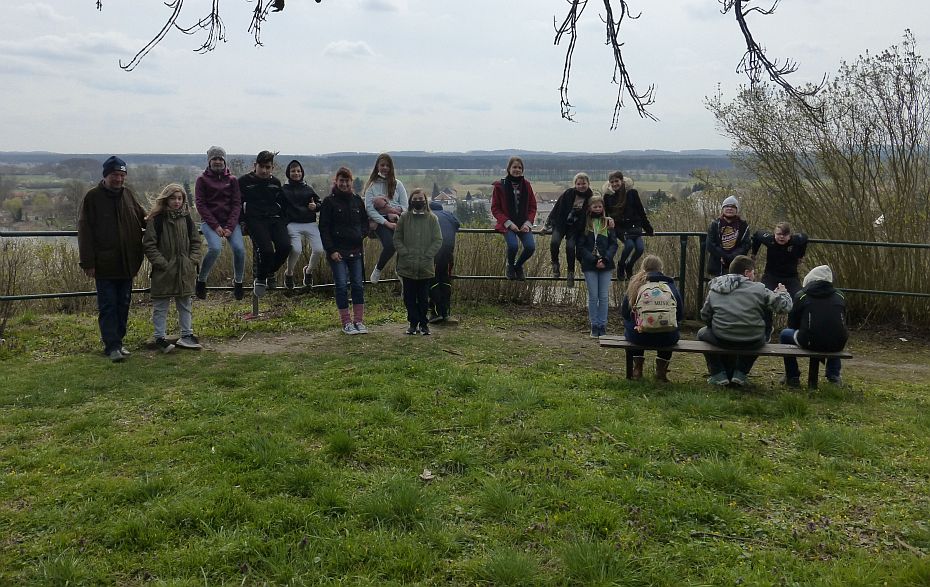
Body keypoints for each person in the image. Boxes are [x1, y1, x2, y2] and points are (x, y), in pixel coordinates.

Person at [77, 156, 146, 362]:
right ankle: (111, 345)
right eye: (115, 175)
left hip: (127, 262)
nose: (119, 179)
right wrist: (87, 262)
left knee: (123, 303)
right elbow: (85, 231)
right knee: (108, 305)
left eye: (122, 175)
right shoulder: (93, 197)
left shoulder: (128, 195)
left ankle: (119, 342)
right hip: (104, 263)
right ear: (106, 175)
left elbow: (143, 218)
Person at [698, 255, 792, 386]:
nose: (754, 276)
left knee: (702, 333)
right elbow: (784, 307)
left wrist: (717, 324)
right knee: (762, 337)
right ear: (747, 273)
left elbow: (705, 315)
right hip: (752, 339)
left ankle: (718, 374)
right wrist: (782, 293)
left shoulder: (715, 288)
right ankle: (740, 373)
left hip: (722, 337)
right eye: (753, 273)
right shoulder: (760, 289)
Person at [142, 184, 203, 353]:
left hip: (184, 269)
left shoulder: (187, 219)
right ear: (166, 199)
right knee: (161, 305)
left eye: (180, 198)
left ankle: (187, 335)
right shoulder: (157, 220)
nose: (176, 202)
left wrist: (192, 261)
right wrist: (162, 263)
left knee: (185, 303)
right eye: (173, 198)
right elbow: (149, 244)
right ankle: (159, 337)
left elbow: (196, 242)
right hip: (164, 271)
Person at [319, 167, 369, 335]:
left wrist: (361, 234)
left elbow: (364, 222)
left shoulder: (357, 200)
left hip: (356, 250)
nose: (344, 183)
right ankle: (346, 322)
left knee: (357, 285)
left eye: (347, 181)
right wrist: (331, 250)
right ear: (336, 181)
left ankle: (359, 321)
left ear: (351, 182)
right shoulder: (329, 202)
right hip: (337, 252)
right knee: (341, 286)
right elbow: (324, 228)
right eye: (341, 180)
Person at [780, 265, 848, 386]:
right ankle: (834, 374)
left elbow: (792, 324)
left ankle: (792, 375)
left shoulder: (801, 295)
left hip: (809, 340)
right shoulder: (840, 295)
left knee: (785, 334)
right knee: (834, 332)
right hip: (838, 342)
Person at [620, 254, 683, 382]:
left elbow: (625, 314)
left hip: (639, 337)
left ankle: (637, 368)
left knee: (632, 325)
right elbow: (680, 315)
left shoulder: (635, 285)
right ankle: (661, 371)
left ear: (643, 268)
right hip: (667, 338)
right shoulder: (670, 286)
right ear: (661, 268)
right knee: (668, 329)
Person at [194, 146, 246, 300]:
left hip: (230, 222)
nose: (217, 161)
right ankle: (201, 280)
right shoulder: (201, 180)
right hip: (210, 222)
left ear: (224, 161)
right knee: (215, 248)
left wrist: (230, 226)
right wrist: (216, 226)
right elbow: (200, 205)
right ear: (209, 161)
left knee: (239, 249)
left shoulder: (232, 180)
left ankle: (238, 282)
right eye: (214, 159)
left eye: (220, 159)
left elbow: (237, 204)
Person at [238, 150, 291, 296]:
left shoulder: (275, 183)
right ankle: (261, 278)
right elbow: (237, 203)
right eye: (261, 166)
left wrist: (284, 220)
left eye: (268, 167)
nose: (264, 170)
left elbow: (283, 204)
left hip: (274, 219)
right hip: (255, 220)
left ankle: (269, 272)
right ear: (255, 165)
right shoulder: (244, 182)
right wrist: (242, 221)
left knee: (285, 247)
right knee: (266, 251)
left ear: (272, 168)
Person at [394, 189, 443, 335]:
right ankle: (412, 323)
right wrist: (405, 254)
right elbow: (397, 239)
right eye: (415, 199)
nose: (418, 201)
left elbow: (438, 240)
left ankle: (424, 324)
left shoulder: (432, 219)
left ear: (425, 201)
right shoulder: (404, 217)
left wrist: (428, 255)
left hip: (425, 267)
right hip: (406, 266)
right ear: (410, 201)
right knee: (409, 298)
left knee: (423, 298)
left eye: (420, 199)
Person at [576, 195, 617, 337]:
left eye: (600, 206)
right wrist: (594, 260)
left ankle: (602, 325)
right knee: (593, 296)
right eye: (595, 206)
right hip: (589, 264)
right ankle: (594, 325)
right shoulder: (585, 224)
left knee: (604, 296)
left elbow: (613, 244)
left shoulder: (607, 223)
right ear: (590, 208)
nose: (598, 209)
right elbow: (580, 247)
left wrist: (605, 259)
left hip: (606, 264)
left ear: (603, 208)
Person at [543, 172, 595, 286]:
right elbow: (557, 209)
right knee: (554, 242)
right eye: (579, 184)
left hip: (576, 228)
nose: (581, 186)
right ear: (575, 184)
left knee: (570, 247)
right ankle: (555, 264)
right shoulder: (568, 193)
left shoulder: (591, 197)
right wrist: (547, 225)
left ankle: (570, 273)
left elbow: (595, 212)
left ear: (588, 184)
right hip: (561, 223)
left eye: (584, 183)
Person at [363, 153, 408, 284]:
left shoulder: (398, 184)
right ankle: (378, 269)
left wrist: (390, 210)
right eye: (382, 165)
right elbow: (370, 209)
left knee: (405, 244)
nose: (385, 168)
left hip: (398, 219)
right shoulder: (371, 187)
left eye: (388, 165)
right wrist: (386, 222)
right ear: (377, 166)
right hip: (380, 222)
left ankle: (400, 270)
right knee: (390, 245)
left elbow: (405, 206)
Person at [491, 156, 537, 280]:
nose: (517, 170)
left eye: (520, 167)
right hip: (507, 224)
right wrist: (508, 223)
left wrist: (528, 223)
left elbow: (533, 206)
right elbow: (495, 208)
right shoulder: (500, 186)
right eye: (514, 167)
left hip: (523, 223)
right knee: (513, 246)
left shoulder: (526, 185)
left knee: (530, 247)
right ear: (509, 169)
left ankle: (518, 266)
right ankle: (510, 266)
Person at [281, 159, 324, 289]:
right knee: (296, 249)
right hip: (292, 223)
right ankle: (289, 273)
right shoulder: (284, 189)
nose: (296, 173)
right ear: (288, 173)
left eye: (299, 171)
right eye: (293, 171)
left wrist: (315, 206)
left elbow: (320, 204)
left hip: (310, 223)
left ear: (302, 172)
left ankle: (308, 271)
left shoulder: (308, 188)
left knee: (318, 249)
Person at [603, 171, 654, 279]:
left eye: (616, 181)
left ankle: (629, 266)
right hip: (620, 227)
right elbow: (606, 214)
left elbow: (640, 210)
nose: (614, 184)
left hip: (635, 226)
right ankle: (621, 265)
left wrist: (648, 227)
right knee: (629, 245)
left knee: (640, 248)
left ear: (622, 181)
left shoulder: (632, 193)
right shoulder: (608, 196)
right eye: (612, 182)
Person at [751, 222, 808, 298]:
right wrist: (754, 253)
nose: (781, 237)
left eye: (785, 235)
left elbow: (804, 237)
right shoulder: (769, 240)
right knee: (761, 296)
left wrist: (801, 255)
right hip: (770, 276)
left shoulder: (796, 240)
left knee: (801, 297)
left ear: (789, 235)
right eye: (778, 234)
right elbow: (757, 234)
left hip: (791, 277)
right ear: (774, 234)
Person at [428, 200, 460, 324]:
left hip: (433, 250)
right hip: (448, 250)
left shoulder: (428, 215)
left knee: (432, 278)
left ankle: (436, 312)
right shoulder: (448, 214)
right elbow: (457, 224)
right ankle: (446, 312)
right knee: (445, 278)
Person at [706, 195, 751, 277]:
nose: (730, 208)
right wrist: (723, 256)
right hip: (717, 266)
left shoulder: (743, 225)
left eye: (733, 207)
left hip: (737, 267)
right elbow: (710, 245)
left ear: (737, 210)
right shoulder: (714, 224)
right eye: (727, 206)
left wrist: (731, 257)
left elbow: (746, 245)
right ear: (723, 209)